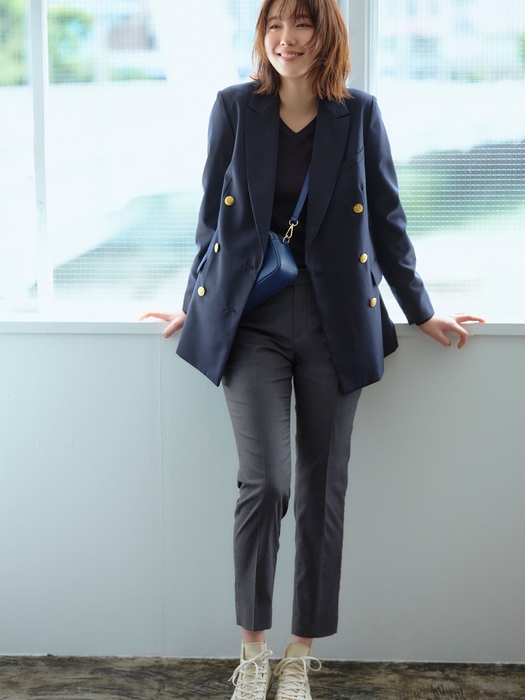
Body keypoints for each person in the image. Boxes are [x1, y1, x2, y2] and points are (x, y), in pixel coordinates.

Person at [140, 0, 484, 697]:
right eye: (274, 24)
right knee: (264, 483)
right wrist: (194, 302)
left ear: (325, 35)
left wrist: (421, 310)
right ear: (261, 35)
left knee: (323, 487)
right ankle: (253, 652)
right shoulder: (234, 108)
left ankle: (299, 653)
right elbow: (211, 219)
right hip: (251, 321)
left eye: (301, 24)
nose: (286, 38)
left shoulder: (357, 115)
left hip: (335, 322)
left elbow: (386, 219)